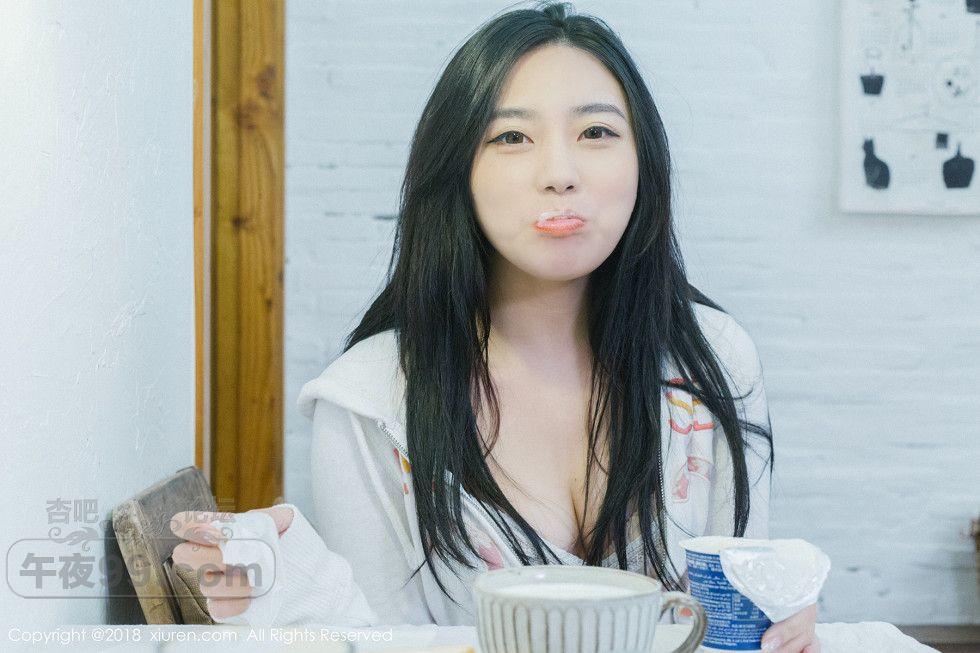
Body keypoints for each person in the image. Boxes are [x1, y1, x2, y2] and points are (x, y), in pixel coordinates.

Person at [171, 2, 818, 651]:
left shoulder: (712, 360)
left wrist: (777, 623)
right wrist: (294, 587)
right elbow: (376, 639)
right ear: (458, 167)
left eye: (596, 131)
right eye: (511, 137)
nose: (559, 174)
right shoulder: (370, 402)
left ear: (644, 160)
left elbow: (734, 624)